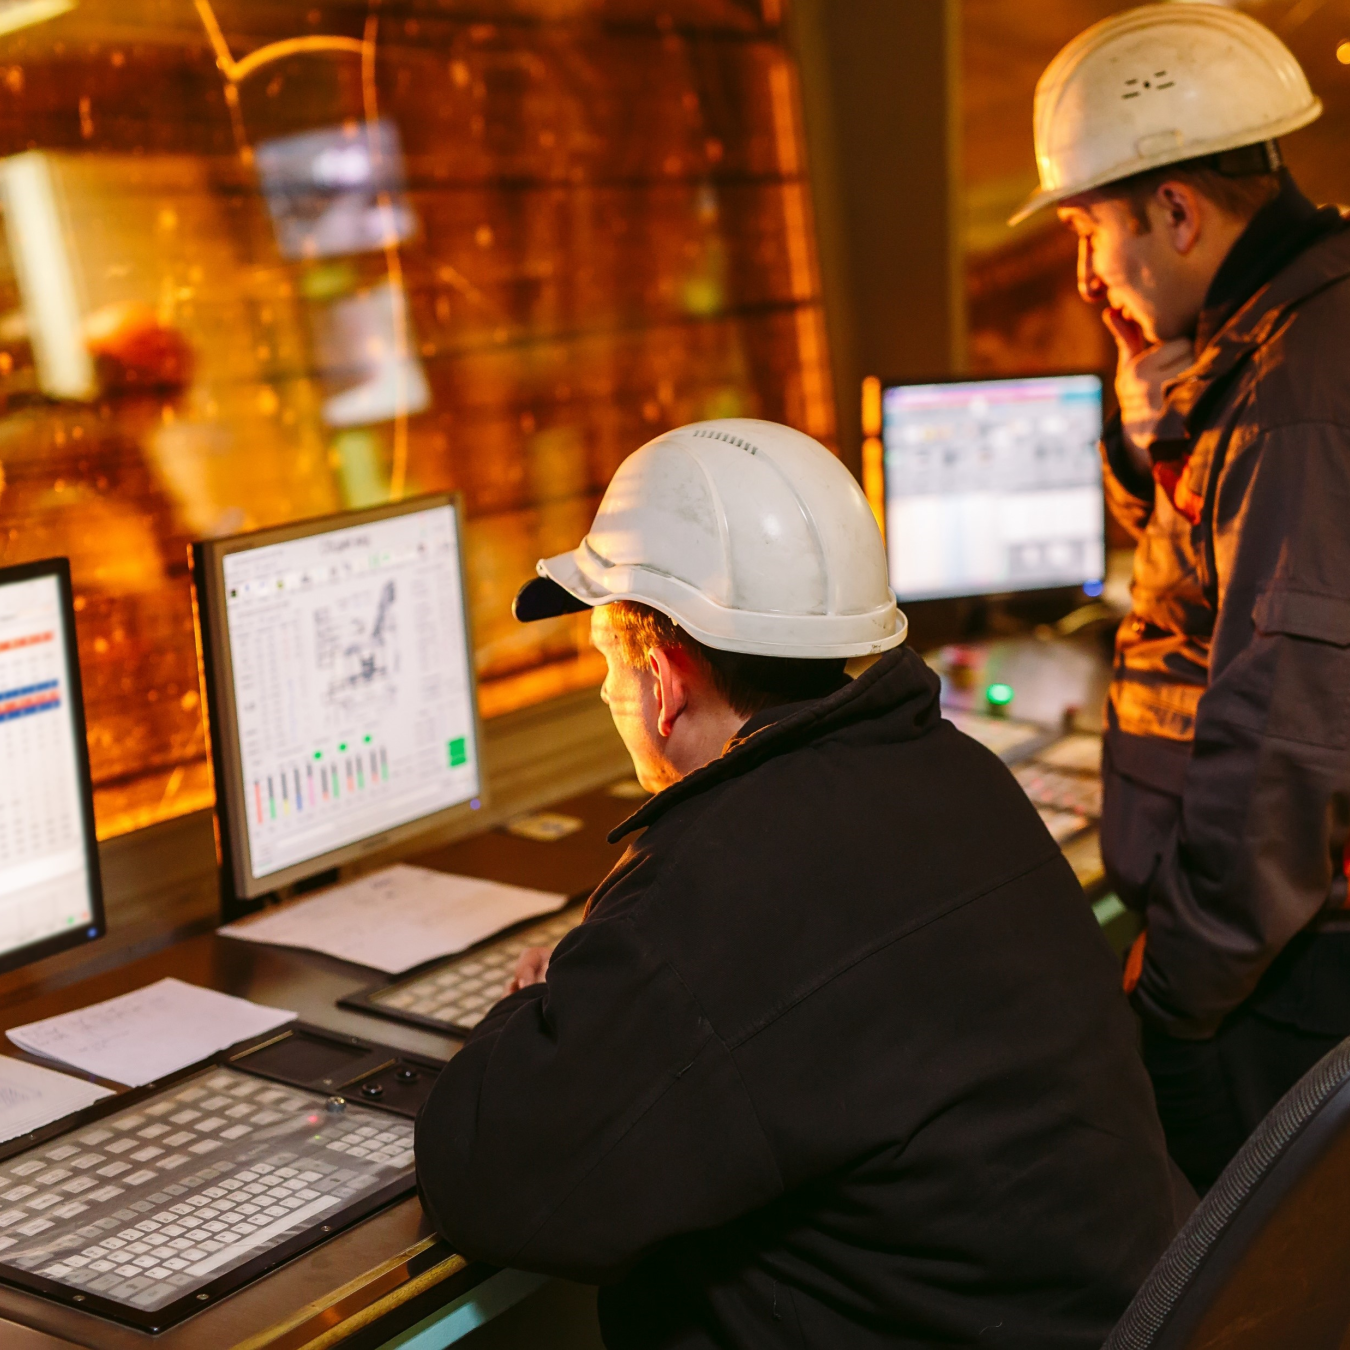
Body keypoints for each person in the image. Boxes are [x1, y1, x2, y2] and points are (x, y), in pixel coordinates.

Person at [415, 417, 1183, 1349]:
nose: (609, 694)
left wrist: (538, 1005)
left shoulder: (715, 886)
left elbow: (491, 1176)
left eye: (606, 664)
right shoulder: (953, 773)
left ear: (660, 679)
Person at [1014, 3, 1350, 1192]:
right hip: (1269, 952)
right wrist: (1154, 422)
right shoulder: (1275, 339)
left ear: (1175, 210)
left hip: (1275, 980)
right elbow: (1200, 575)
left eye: (1088, 232)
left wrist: (1174, 995)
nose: (1085, 274)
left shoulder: (1292, 395)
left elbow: (1280, 732)